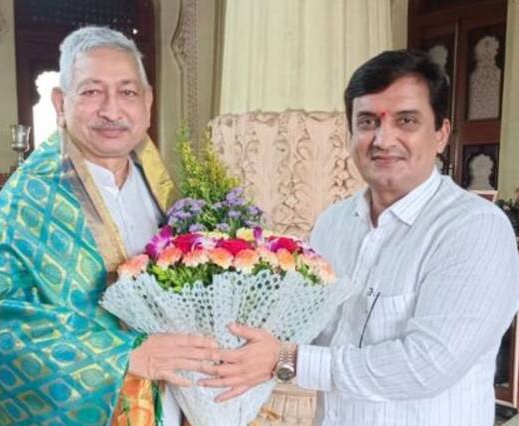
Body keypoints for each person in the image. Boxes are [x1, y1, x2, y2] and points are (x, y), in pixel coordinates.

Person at [199, 49, 519, 425]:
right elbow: (311, 329)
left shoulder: (474, 228)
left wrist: (287, 360)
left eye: (406, 121)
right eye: (367, 122)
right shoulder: (333, 223)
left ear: (441, 134)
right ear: (350, 133)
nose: (383, 139)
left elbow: (427, 365)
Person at [0, 26, 214, 426]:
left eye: (127, 92)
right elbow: (3, 325)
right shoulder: (28, 199)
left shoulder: (166, 191)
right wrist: (123, 355)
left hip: (172, 401)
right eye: (91, 92)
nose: (112, 111)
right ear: (60, 102)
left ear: (148, 102)